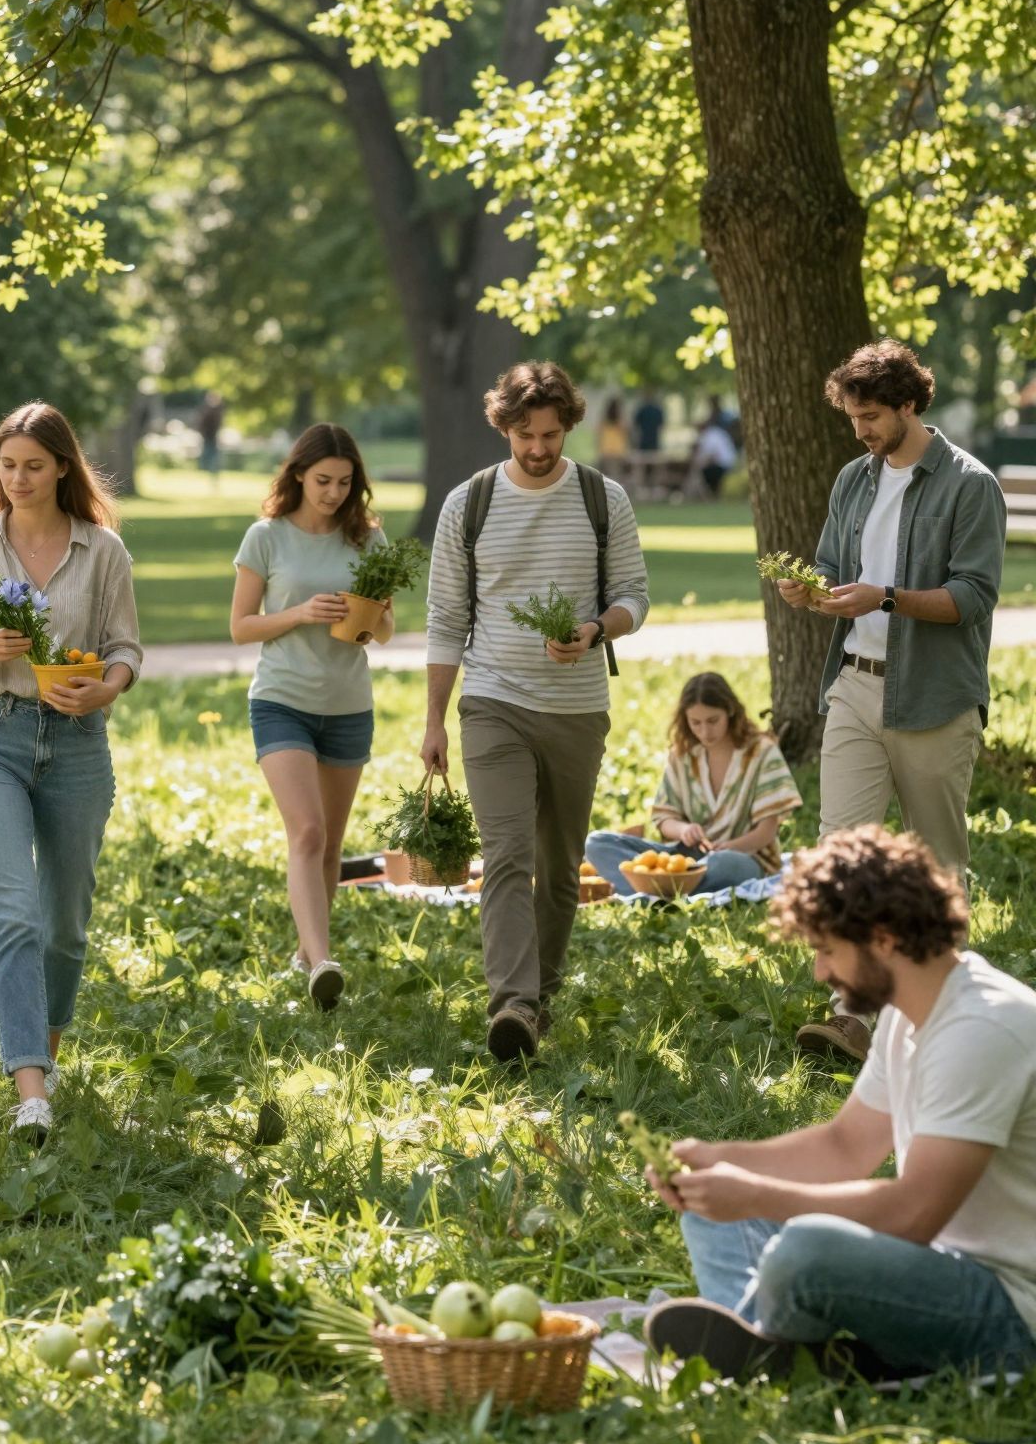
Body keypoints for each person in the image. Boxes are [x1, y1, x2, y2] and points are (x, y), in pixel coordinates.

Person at [643, 827, 1036, 1386]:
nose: (820, 973)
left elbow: (914, 1212)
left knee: (805, 1250)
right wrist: (718, 1159)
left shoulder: (984, 1027)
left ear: (881, 939)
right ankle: (774, 1350)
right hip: (934, 1272)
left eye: (828, 951)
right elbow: (845, 1146)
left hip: (1010, 1314)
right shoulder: (906, 1011)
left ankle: (764, 1349)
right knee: (714, 1203)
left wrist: (756, 1194)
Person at [775, 339, 1005, 1066]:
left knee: (937, 865)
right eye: (852, 418)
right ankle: (851, 1012)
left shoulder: (969, 485)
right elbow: (837, 569)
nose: (861, 430)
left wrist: (890, 598)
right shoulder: (855, 478)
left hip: (935, 696)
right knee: (842, 855)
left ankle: (942, 1017)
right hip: (855, 684)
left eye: (871, 416)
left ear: (909, 404)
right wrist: (813, 589)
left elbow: (973, 597)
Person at [424, 361, 650, 1062]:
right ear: (504, 428)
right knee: (507, 855)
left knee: (558, 868)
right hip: (493, 702)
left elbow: (634, 596)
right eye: (525, 434)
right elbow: (444, 618)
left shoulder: (600, 498)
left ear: (568, 428)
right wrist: (434, 719)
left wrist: (594, 631)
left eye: (551, 434)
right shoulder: (470, 503)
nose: (539, 448)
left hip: (578, 708)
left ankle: (539, 999)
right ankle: (512, 1003)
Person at [0, 403, 142, 1143]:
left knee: (63, 927)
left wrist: (107, 687)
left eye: (32, 465)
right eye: (6, 465)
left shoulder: (103, 551)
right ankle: (30, 1091)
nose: (16, 479)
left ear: (61, 468)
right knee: (13, 913)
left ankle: (42, 1065)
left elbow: (126, 649)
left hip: (79, 744)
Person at [230, 424, 394, 1010]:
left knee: (330, 844)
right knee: (307, 830)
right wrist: (300, 612)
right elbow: (242, 626)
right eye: (323, 480)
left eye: (345, 483)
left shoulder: (368, 540)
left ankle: (306, 953)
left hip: (348, 704)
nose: (333, 492)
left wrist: (363, 616)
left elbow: (387, 627)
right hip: (281, 700)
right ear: (298, 474)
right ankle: (322, 963)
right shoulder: (266, 537)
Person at [585, 671, 802, 897]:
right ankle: (671, 889)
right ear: (685, 720)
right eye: (695, 723)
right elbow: (663, 818)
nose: (705, 732)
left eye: (712, 721)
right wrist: (684, 829)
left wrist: (728, 847)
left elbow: (766, 832)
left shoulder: (761, 751)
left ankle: (652, 889)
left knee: (722, 863)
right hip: (685, 859)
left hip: (744, 857)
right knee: (596, 844)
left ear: (730, 711)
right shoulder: (683, 754)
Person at [693, 401, 739, 498]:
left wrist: (697, 465)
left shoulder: (710, 435)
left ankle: (706, 496)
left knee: (701, 472)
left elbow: (710, 456)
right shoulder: (715, 433)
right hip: (728, 463)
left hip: (724, 465)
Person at [596, 397, 629, 485]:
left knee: (606, 476)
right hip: (618, 452)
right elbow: (626, 434)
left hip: (606, 451)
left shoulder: (603, 422)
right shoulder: (621, 422)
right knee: (617, 476)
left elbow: (599, 435)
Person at [195, 391, 226, 479]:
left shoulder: (215, 410)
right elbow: (201, 423)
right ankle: (207, 470)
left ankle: (211, 471)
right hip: (208, 436)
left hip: (212, 437)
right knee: (208, 455)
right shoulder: (209, 410)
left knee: (212, 456)